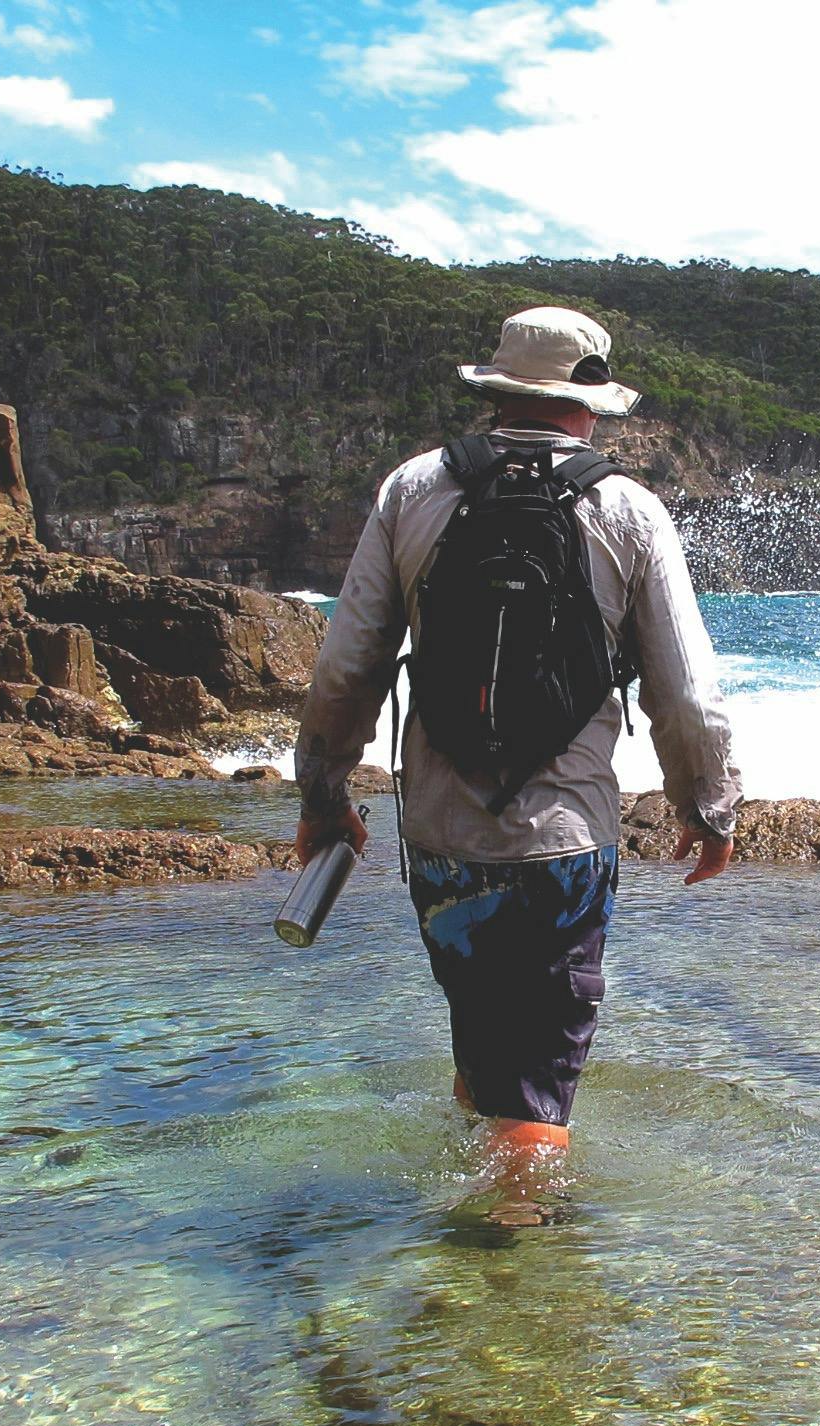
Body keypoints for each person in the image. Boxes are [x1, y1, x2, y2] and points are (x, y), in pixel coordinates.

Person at [294, 305, 743, 1170]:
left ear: (498, 388)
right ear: (593, 402)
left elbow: (347, 666)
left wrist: (322, 795)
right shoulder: (629, 508)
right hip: (561, 844)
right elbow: (685, 695)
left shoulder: (411, 489)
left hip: (438, 835)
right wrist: (709, 805)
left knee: (482, 1043)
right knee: (539, 1086)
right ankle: (511, 1275)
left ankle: (468, 1241)